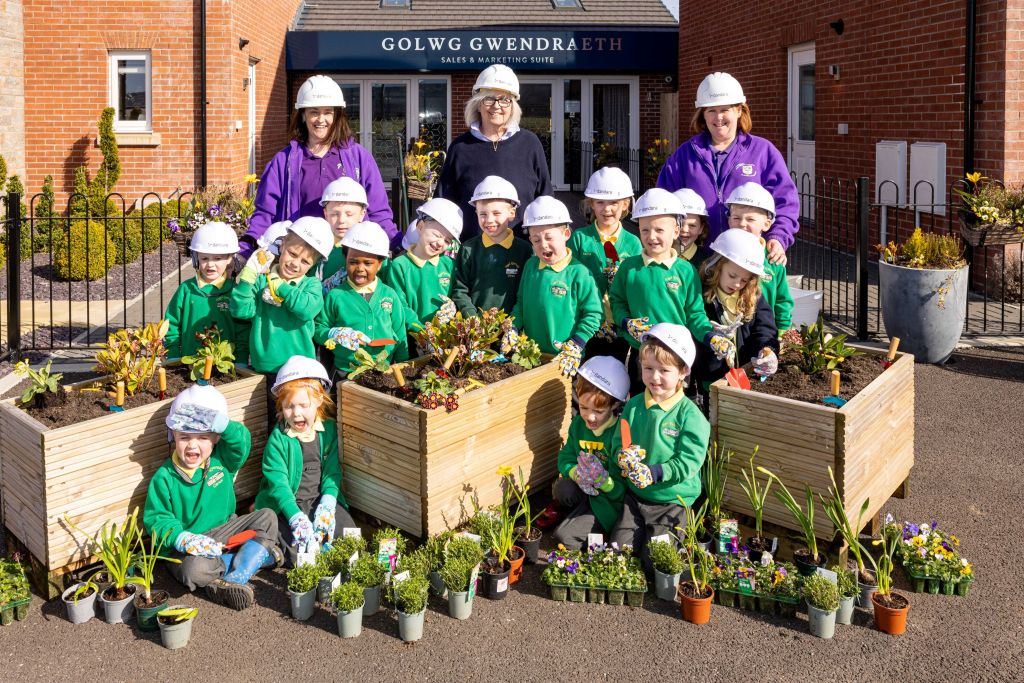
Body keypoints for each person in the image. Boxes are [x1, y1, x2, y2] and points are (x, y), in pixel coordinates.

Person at [143, 384, 282, 610]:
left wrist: (225, 425)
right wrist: (183, 538)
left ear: (216, 438)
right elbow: (157, 519)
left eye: (203, 437)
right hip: (189, 546)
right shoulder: (164, 477)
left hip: (225, 529)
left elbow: (241, 443)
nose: (192, 445)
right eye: (184, 436)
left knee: (267, 517)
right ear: (173, 435)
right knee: (192, 570)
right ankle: (249, 560)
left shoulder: (221, 460)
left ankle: (235, 577)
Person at [241, 75, 397, 258]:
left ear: (337, 115)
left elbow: (378, 210)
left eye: (328, 112)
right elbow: (265, 212)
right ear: (303, 115)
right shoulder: (283, 161)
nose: (321, 119)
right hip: (300, 258)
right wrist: (246, 247)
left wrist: (397, 243)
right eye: (314, 112)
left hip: (349, 256)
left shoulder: (358, 157)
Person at [656, 72, 799, 266]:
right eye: (711, 110)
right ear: (702, 114)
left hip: (748, 260)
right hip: (695, 259)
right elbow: (663, 204)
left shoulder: (763, 151)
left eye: (725, 109)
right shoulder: (684, 155)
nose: (719, 117)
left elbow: (785, 202)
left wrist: (778, 237)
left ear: (739, 110)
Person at [608, 188, 734, 395]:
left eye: (659, 230)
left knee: (675, 411)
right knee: (642, 405)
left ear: (676, 231)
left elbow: (695, 315)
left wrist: (711, 337)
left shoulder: (686, 271)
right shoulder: (629, 268)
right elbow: (617, 301)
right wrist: (625, 322)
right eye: (645, 230)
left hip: (677, 358)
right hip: (642, 357)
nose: (651, 237)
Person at [611, 323, 710, 569]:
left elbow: (689, 461)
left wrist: (655, 472)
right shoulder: (634, 406)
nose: (654, 377)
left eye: (664, 370)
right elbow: (617, 444)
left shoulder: (690, 416)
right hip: (636, 496)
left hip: (673, 500)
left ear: (683, 371)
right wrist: (622, 457)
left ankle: (680, 538)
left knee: (655, 562)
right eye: (648, 368)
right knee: (618, 553)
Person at [230, 216, 332, 428]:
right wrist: (247, 280)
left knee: (298, 421)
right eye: (292, 254)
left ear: (313, 265)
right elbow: (241, 311)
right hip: (265, 367)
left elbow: (307, 309)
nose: (295, 263)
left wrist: (282, 288)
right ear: (282, 245)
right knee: (268, 422)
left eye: (305, 262)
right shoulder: (261, 281)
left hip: (300, 372)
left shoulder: (311, 285)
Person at [255, 356, 355, 566]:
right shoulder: (279, 439)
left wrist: (328, 502)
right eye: (289, 407)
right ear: (281, 406)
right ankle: (274, 549)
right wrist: (295, 517)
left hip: (319, 500)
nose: (297, 413)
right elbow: (279, 485)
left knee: (350, 536)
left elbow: (332, 472)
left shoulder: (328, 431)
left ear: (319, 400)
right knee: (299, 551)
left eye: (303, 405)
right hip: (287, 505)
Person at [437, 64, 551, 239]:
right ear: (478, 104)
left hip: (522, 251)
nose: (496, 106)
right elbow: (444, 201)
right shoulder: (460, 147)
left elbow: (545, 199)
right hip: (473, 253)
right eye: (488, 99)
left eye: (504, 99)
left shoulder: (530, 144)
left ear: (513, 106)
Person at [507, 195, 603, 378]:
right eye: (536, 240)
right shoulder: (530, 266)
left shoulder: (579, 272)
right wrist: (512, 327)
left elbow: (594, 313)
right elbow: (520, 303)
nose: (543, 245)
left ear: (566, 234)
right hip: (532, 356)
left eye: (549, 237)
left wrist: (576, 343)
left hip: (566, 359)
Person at [691, 230, 780, 409]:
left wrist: (767, 350)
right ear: (717, 266)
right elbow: (692, 324)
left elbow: (764, 329)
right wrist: (710, 335)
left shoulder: (753, 296)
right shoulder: (700, 293)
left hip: (744, 376)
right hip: (710, 377)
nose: (737, 284)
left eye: (744, 280)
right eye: (732, 276)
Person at [314, 221, 409, 381]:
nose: (360, 268)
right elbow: (318, 329)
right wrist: (333, 334)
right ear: (345, 259)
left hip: (384, 371)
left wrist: (403, 366)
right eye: (353, 262)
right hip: (345, 372)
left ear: (380, 264)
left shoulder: (389, 295)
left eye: (368, 263)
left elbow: (400, 333)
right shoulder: (336, 295)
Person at [551, 356, 630, 551]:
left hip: (607, 500)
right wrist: (574, 473)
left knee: (564, 538)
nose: (590, 417)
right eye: (584, 407)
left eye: (598, 410)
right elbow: (566, 457)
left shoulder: (619, 433)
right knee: (562, 489)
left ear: (614, 405)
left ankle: (599, 528)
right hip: (584, 489)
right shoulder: (579, 424)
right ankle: (579, 516)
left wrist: (605, 483)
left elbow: (623, 488)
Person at [567, 167, 643, 362]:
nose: (607, 209)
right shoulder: (580, 238)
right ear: (591, 204)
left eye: (614, 203)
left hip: (617, 322)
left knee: (613, 373)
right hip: (586, 321)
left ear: (625, 205)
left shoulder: (633, 243)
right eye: (600, 202)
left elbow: (634, 285)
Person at [163, 221, 250, 364]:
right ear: (196, 259)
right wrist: (173, 354)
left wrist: (241, 360)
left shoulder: (236, 292)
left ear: (230, 260)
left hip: (226, 366)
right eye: (204, 258)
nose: (210, 264)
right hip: (189, 363)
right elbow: (171, 324)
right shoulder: (186, 289)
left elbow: (243, 330)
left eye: (217, 258)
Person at [449, 175, 533, 317]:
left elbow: (526, 292)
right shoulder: (468, 249)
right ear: (475, 213)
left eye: (496, 213)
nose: (489, 220)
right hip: (476, 330)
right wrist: (471, 318)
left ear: (512, 213)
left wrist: (514, 323)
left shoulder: (524, 250)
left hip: (512, 329)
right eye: (483, 214)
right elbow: (460, 289)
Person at [724, 182, 795, 331]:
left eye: (750, 219)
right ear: (729, 220)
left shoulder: (773, 260)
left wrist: (782, 331)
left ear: (767, 224)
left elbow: (783, 301)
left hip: (766, 332)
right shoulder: (722, 254)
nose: (742, 224)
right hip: (733, 332)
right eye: (736, 218)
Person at [383, 197, 463, 329]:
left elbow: (456, 296)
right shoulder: (400, 266)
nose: (440, 243)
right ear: (420, 226)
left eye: (447, 241)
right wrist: (421, 332)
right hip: (413, 338)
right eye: (437, 235)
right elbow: (400, 305)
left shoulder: (449, 265)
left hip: (445, 340)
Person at [319, 176, 368, 286]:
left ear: (362, 214)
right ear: (325, 213)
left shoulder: (370, 249)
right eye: (334, 214)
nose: (341, 220)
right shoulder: (316, 246)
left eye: (349, 214)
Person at [672, 188, 712, 273]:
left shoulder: (705, 262)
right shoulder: (656, 254)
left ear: (701, 228)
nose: (684, 230)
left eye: (692, 225)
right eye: (680, 224)